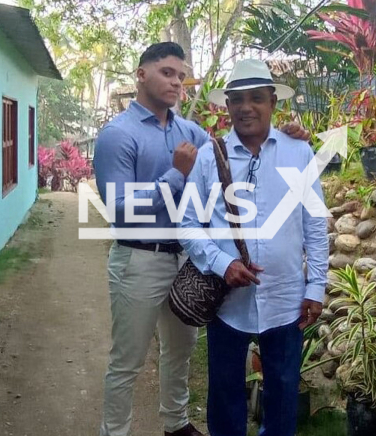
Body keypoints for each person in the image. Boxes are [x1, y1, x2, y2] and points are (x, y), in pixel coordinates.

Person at [93, 43, 310, 436]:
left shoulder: (188, 130)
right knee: (128, 361)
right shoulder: (117, 135)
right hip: (140, 258)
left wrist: (288, 134)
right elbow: (119, 209)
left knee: (179, 352)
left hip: (188, 262)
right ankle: (115, 432)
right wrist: (175, 176)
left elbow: (237, 143)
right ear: (141, 74)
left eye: (181, 75)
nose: (176, 82)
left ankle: (175, 424)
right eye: (166, 72)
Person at [178, 59, 330, 436]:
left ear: (273, 103)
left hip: (286, 299)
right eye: (238, 100)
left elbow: (314, 223)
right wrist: (221, 263)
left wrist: (316, 287)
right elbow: (187, 223)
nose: (247, 107)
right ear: (226, 106)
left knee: (282, 392)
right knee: (225, 393)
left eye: (257, 99)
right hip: (226, 301)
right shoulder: (209, 156)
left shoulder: (298, 152)